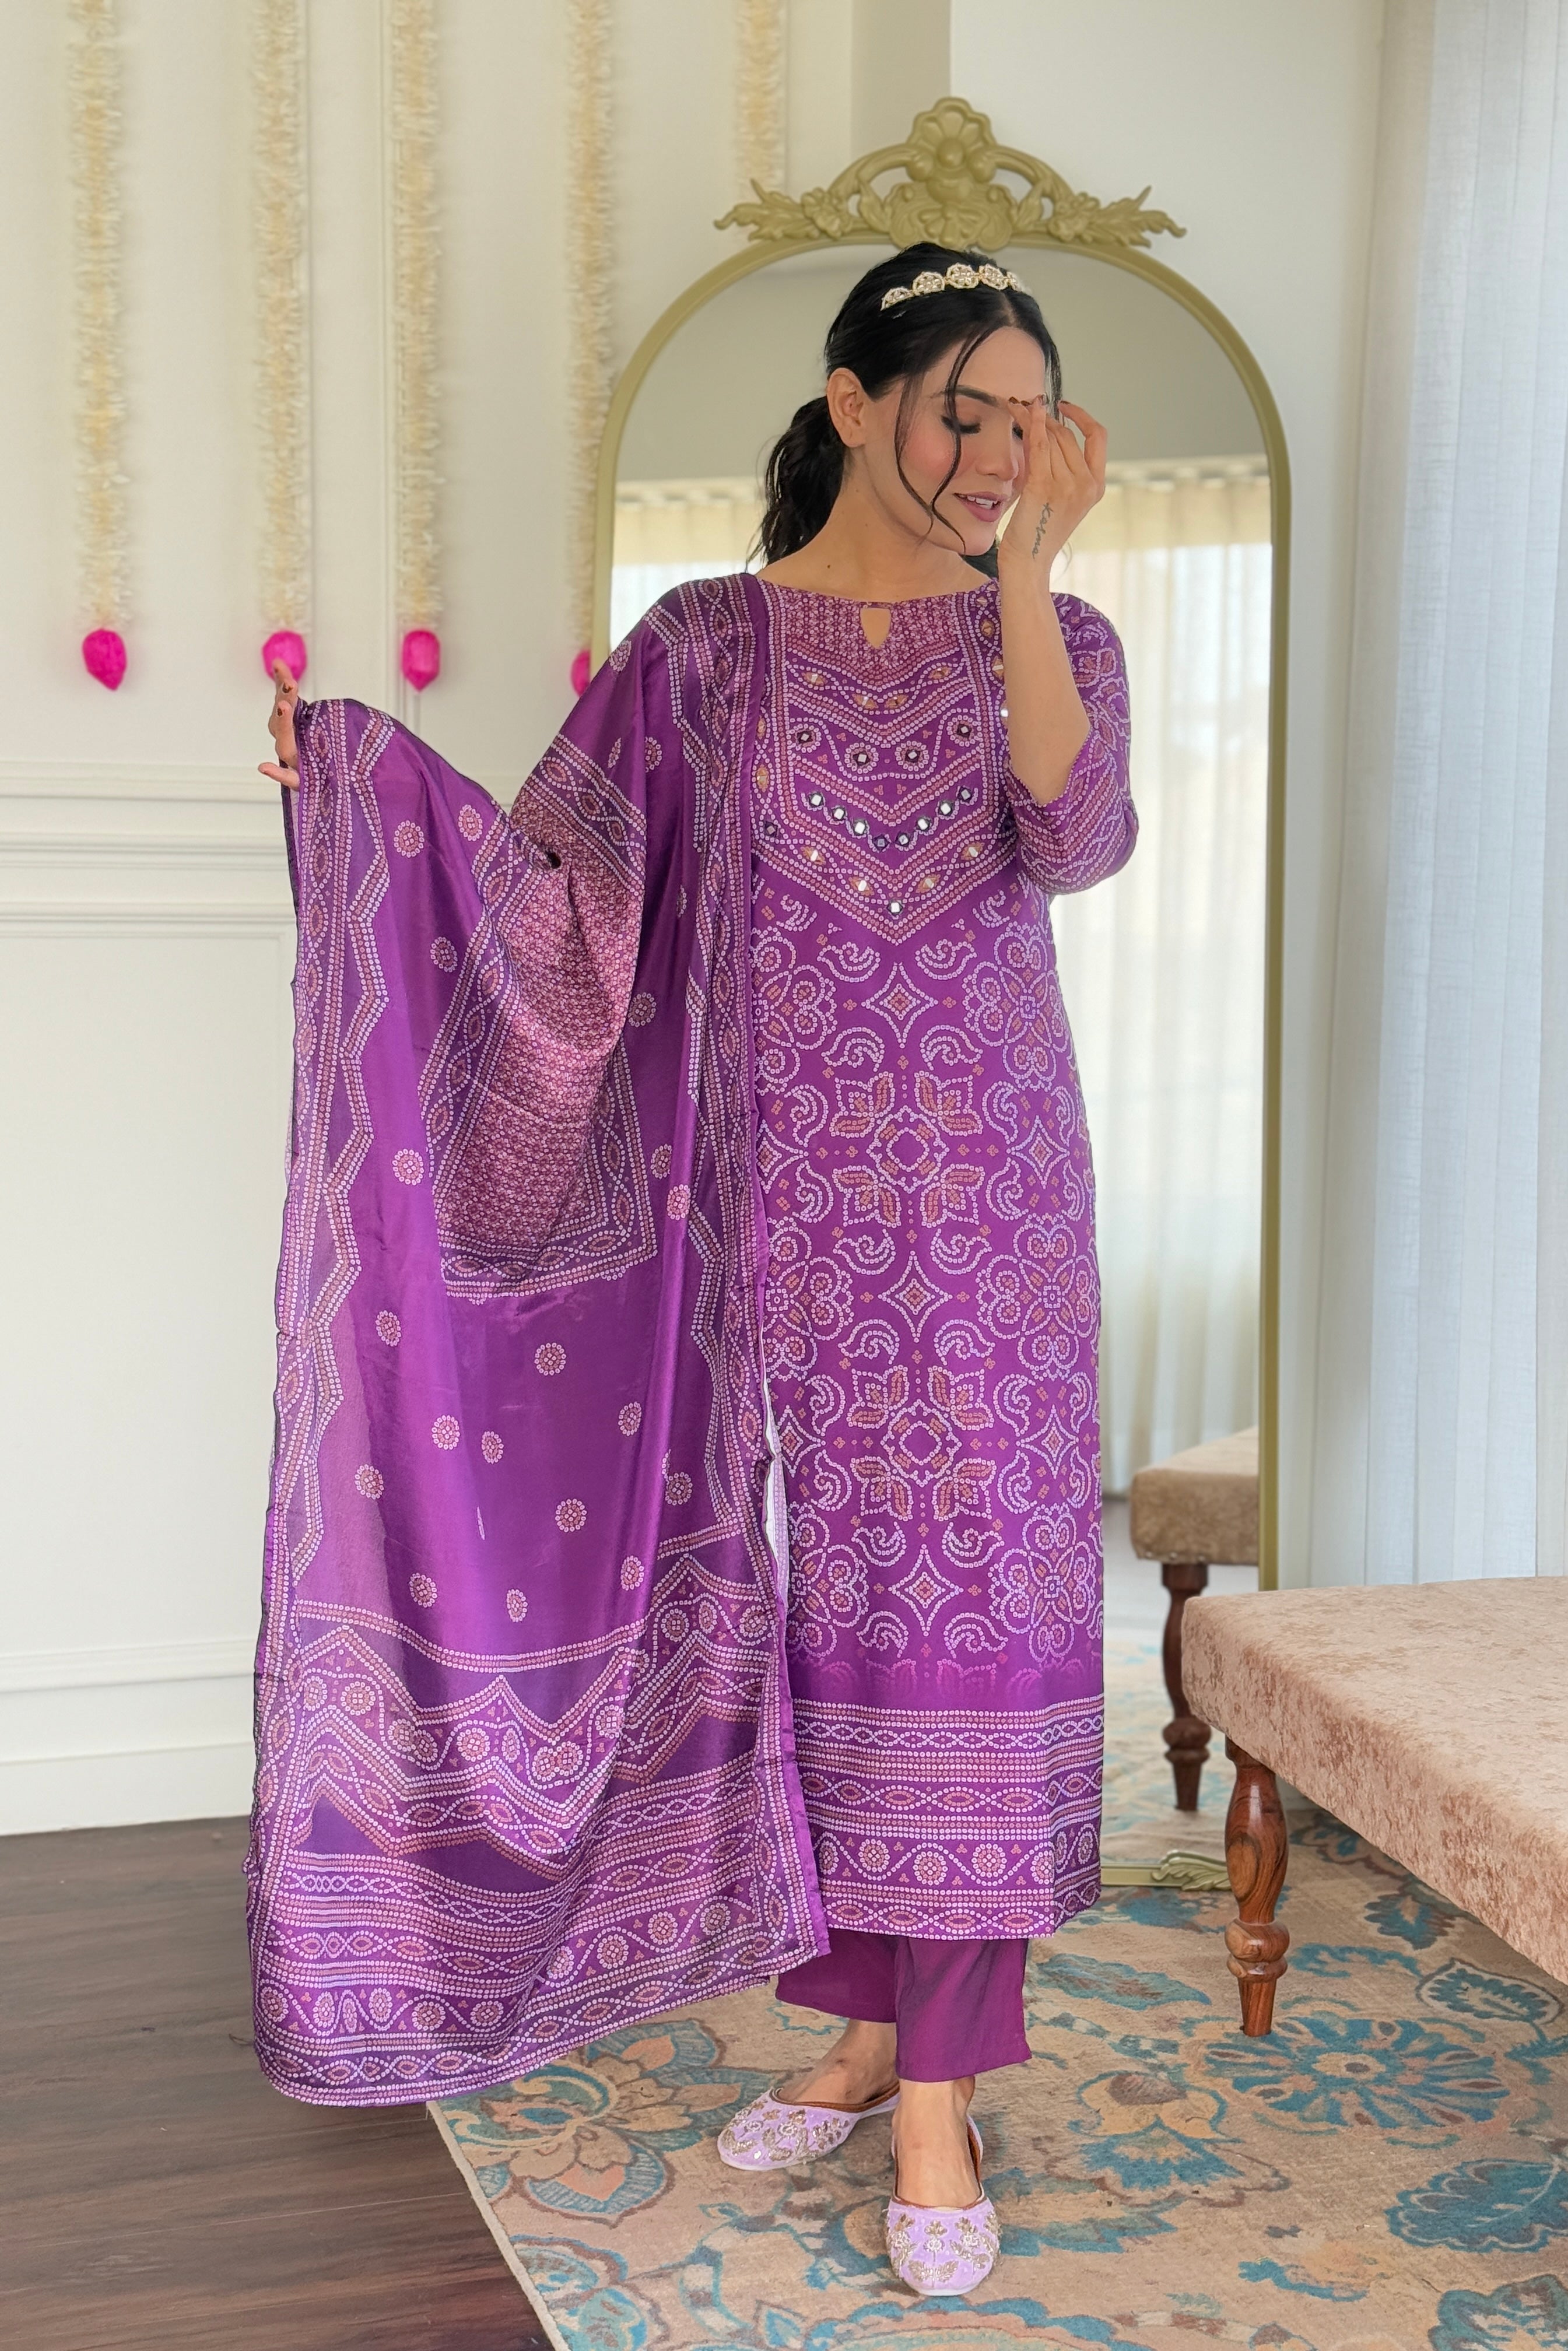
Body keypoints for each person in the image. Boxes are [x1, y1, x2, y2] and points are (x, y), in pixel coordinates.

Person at [255, 241, 1134, 2299]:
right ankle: (862, 2026)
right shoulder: (703, 650)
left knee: (959, 1615)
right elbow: (556, 906)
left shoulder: (1059, 630)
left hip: (990, 1210)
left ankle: (938, 2092)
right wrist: (362, 783)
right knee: (793, 1613)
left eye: (1033, 421)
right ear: (855, 404)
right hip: (756, 1211)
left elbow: (1076, 836)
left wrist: (1023, 580)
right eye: (968, 413)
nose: (1003, 455)